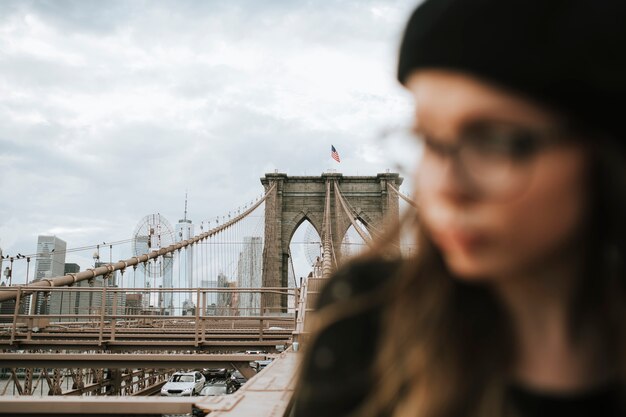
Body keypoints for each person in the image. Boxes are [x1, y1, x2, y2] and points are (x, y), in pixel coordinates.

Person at [291, 1, 626, 416]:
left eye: (493, 141)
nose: (444, 186)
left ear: (605, 152)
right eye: (429, 140)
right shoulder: (361, 321)